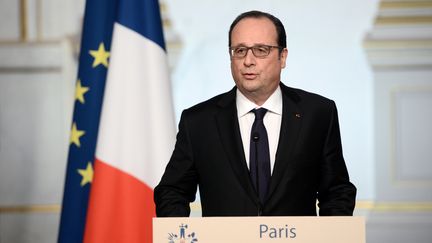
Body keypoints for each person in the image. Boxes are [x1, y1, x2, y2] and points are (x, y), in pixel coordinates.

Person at [154, 10, 356, 217]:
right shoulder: (198, 121)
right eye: (240, 50)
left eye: (261, 50)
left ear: (282, 57)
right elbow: (172, 192)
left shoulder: (318, 113)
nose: (248, 61)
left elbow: (336, 192)